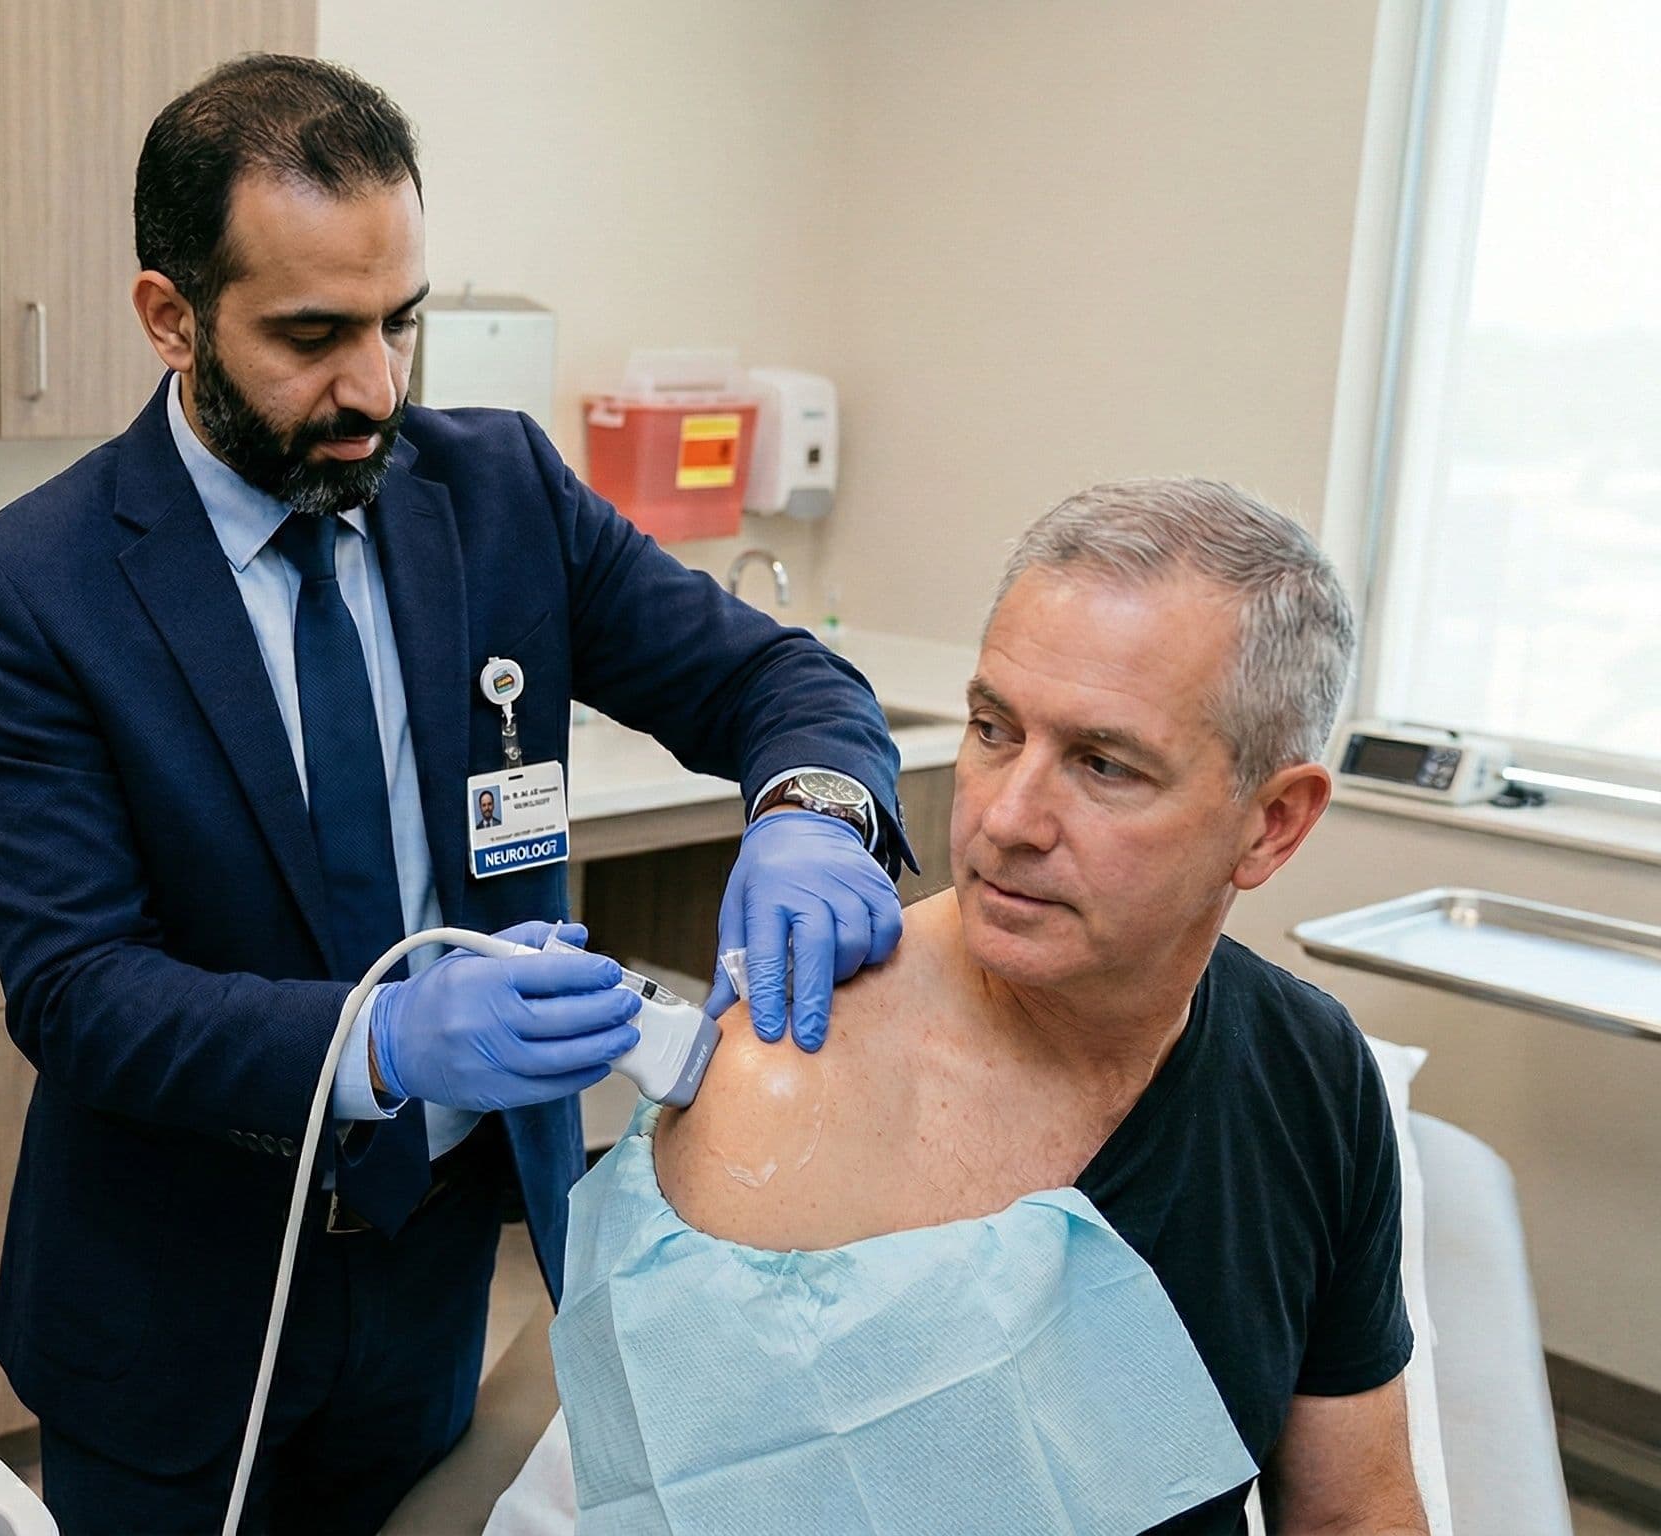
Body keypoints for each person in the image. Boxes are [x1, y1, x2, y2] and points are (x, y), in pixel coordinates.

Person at [0, 54, 910, 1533]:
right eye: (312, 336)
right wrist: (377, 1039)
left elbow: (776, 681)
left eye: (399, 321)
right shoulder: (36, 588)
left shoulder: (499, 494)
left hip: (438, 1266)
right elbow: (81, 993)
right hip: (176, 1315)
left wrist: (812, 816)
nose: (375, 389)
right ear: (169, 316)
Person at [515, 479, 1424, 1534]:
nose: (1005, 820)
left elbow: (1355, 1511)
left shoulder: (1310, 1069)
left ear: (1273, 824)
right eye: (993, 729)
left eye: (1103, 764)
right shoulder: (792, 1085)